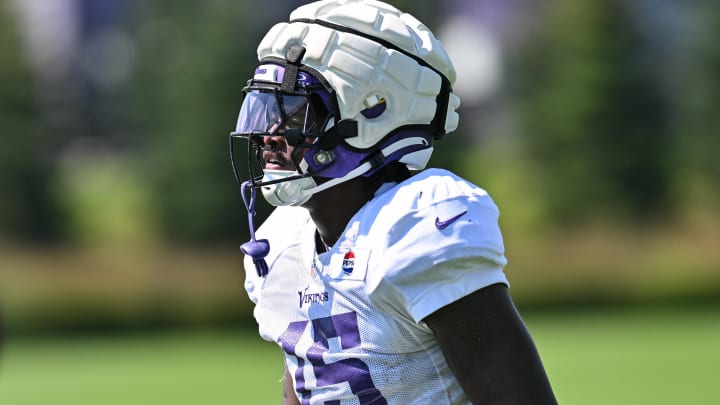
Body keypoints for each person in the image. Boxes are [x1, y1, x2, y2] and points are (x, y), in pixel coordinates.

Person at [229, 1, 557, 403]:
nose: (268, 135)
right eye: (264, 111)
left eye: (294, 115)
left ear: (372, 113)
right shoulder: (281, 245)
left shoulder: (415, 226)